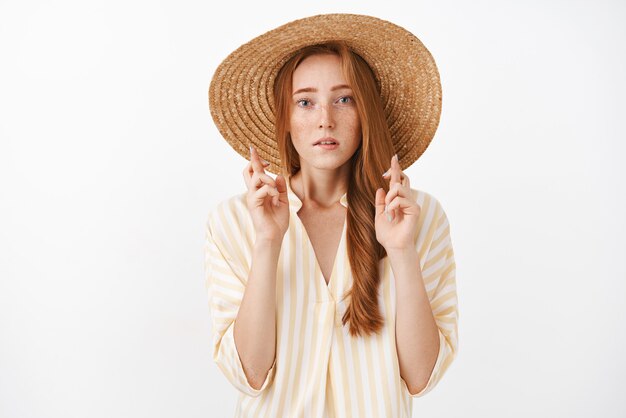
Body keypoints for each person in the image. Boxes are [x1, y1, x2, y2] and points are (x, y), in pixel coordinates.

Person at [205, 13, 458, 418]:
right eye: (305, 102)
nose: (325, 119)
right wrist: (268, 242)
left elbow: (421, 376)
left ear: (367, 112)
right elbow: (249, 375)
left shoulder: (417, 217)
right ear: (285, 120)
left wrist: (402, 251)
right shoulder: (234, 221)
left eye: (344, 98)